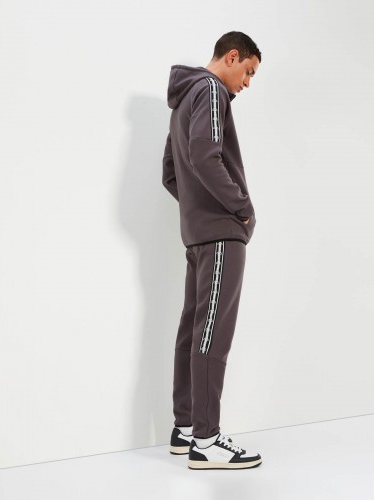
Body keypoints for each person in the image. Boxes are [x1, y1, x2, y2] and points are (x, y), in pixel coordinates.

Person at [162, 31, 263, 470]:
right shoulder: (210, 89)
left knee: (193, 330)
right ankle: (206, 439)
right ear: (232, 56)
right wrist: (242, 209)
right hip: (221, 233)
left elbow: (171, 173)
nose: (247, 83)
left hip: (197, 234)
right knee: (211, 333)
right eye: (249, 71)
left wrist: (196, 209)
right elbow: (206, 155)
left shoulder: (183, 100)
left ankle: (185, 429)